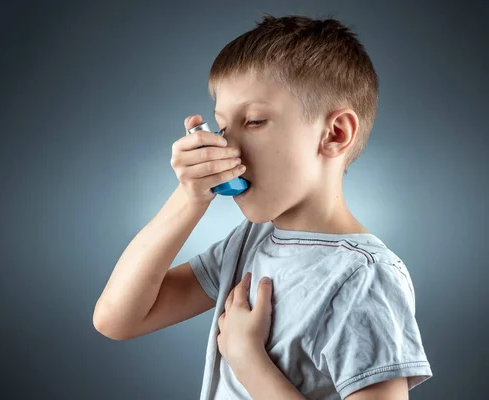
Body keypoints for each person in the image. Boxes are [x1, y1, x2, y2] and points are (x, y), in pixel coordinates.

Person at [93, 13, 433, 400]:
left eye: (254, 121)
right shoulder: (250, 242)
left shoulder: (363, 278)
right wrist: (189, 197)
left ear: (335, 134)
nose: (227, 149)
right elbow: (117, 319)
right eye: (222, 129)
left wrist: (248, 361)